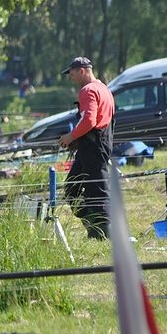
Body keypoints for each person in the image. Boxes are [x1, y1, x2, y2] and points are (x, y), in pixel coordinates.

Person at [58, 57, 115, 239]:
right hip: (98, 144)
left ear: (82, 71)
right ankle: (93, 225)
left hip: (93, 146)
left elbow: (89, 120)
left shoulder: (87, 90)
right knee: (71, 188)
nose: (71, 78)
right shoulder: (104, 89)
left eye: (72, 74)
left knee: (96, 189)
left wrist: (70, 136)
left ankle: (103, 232)